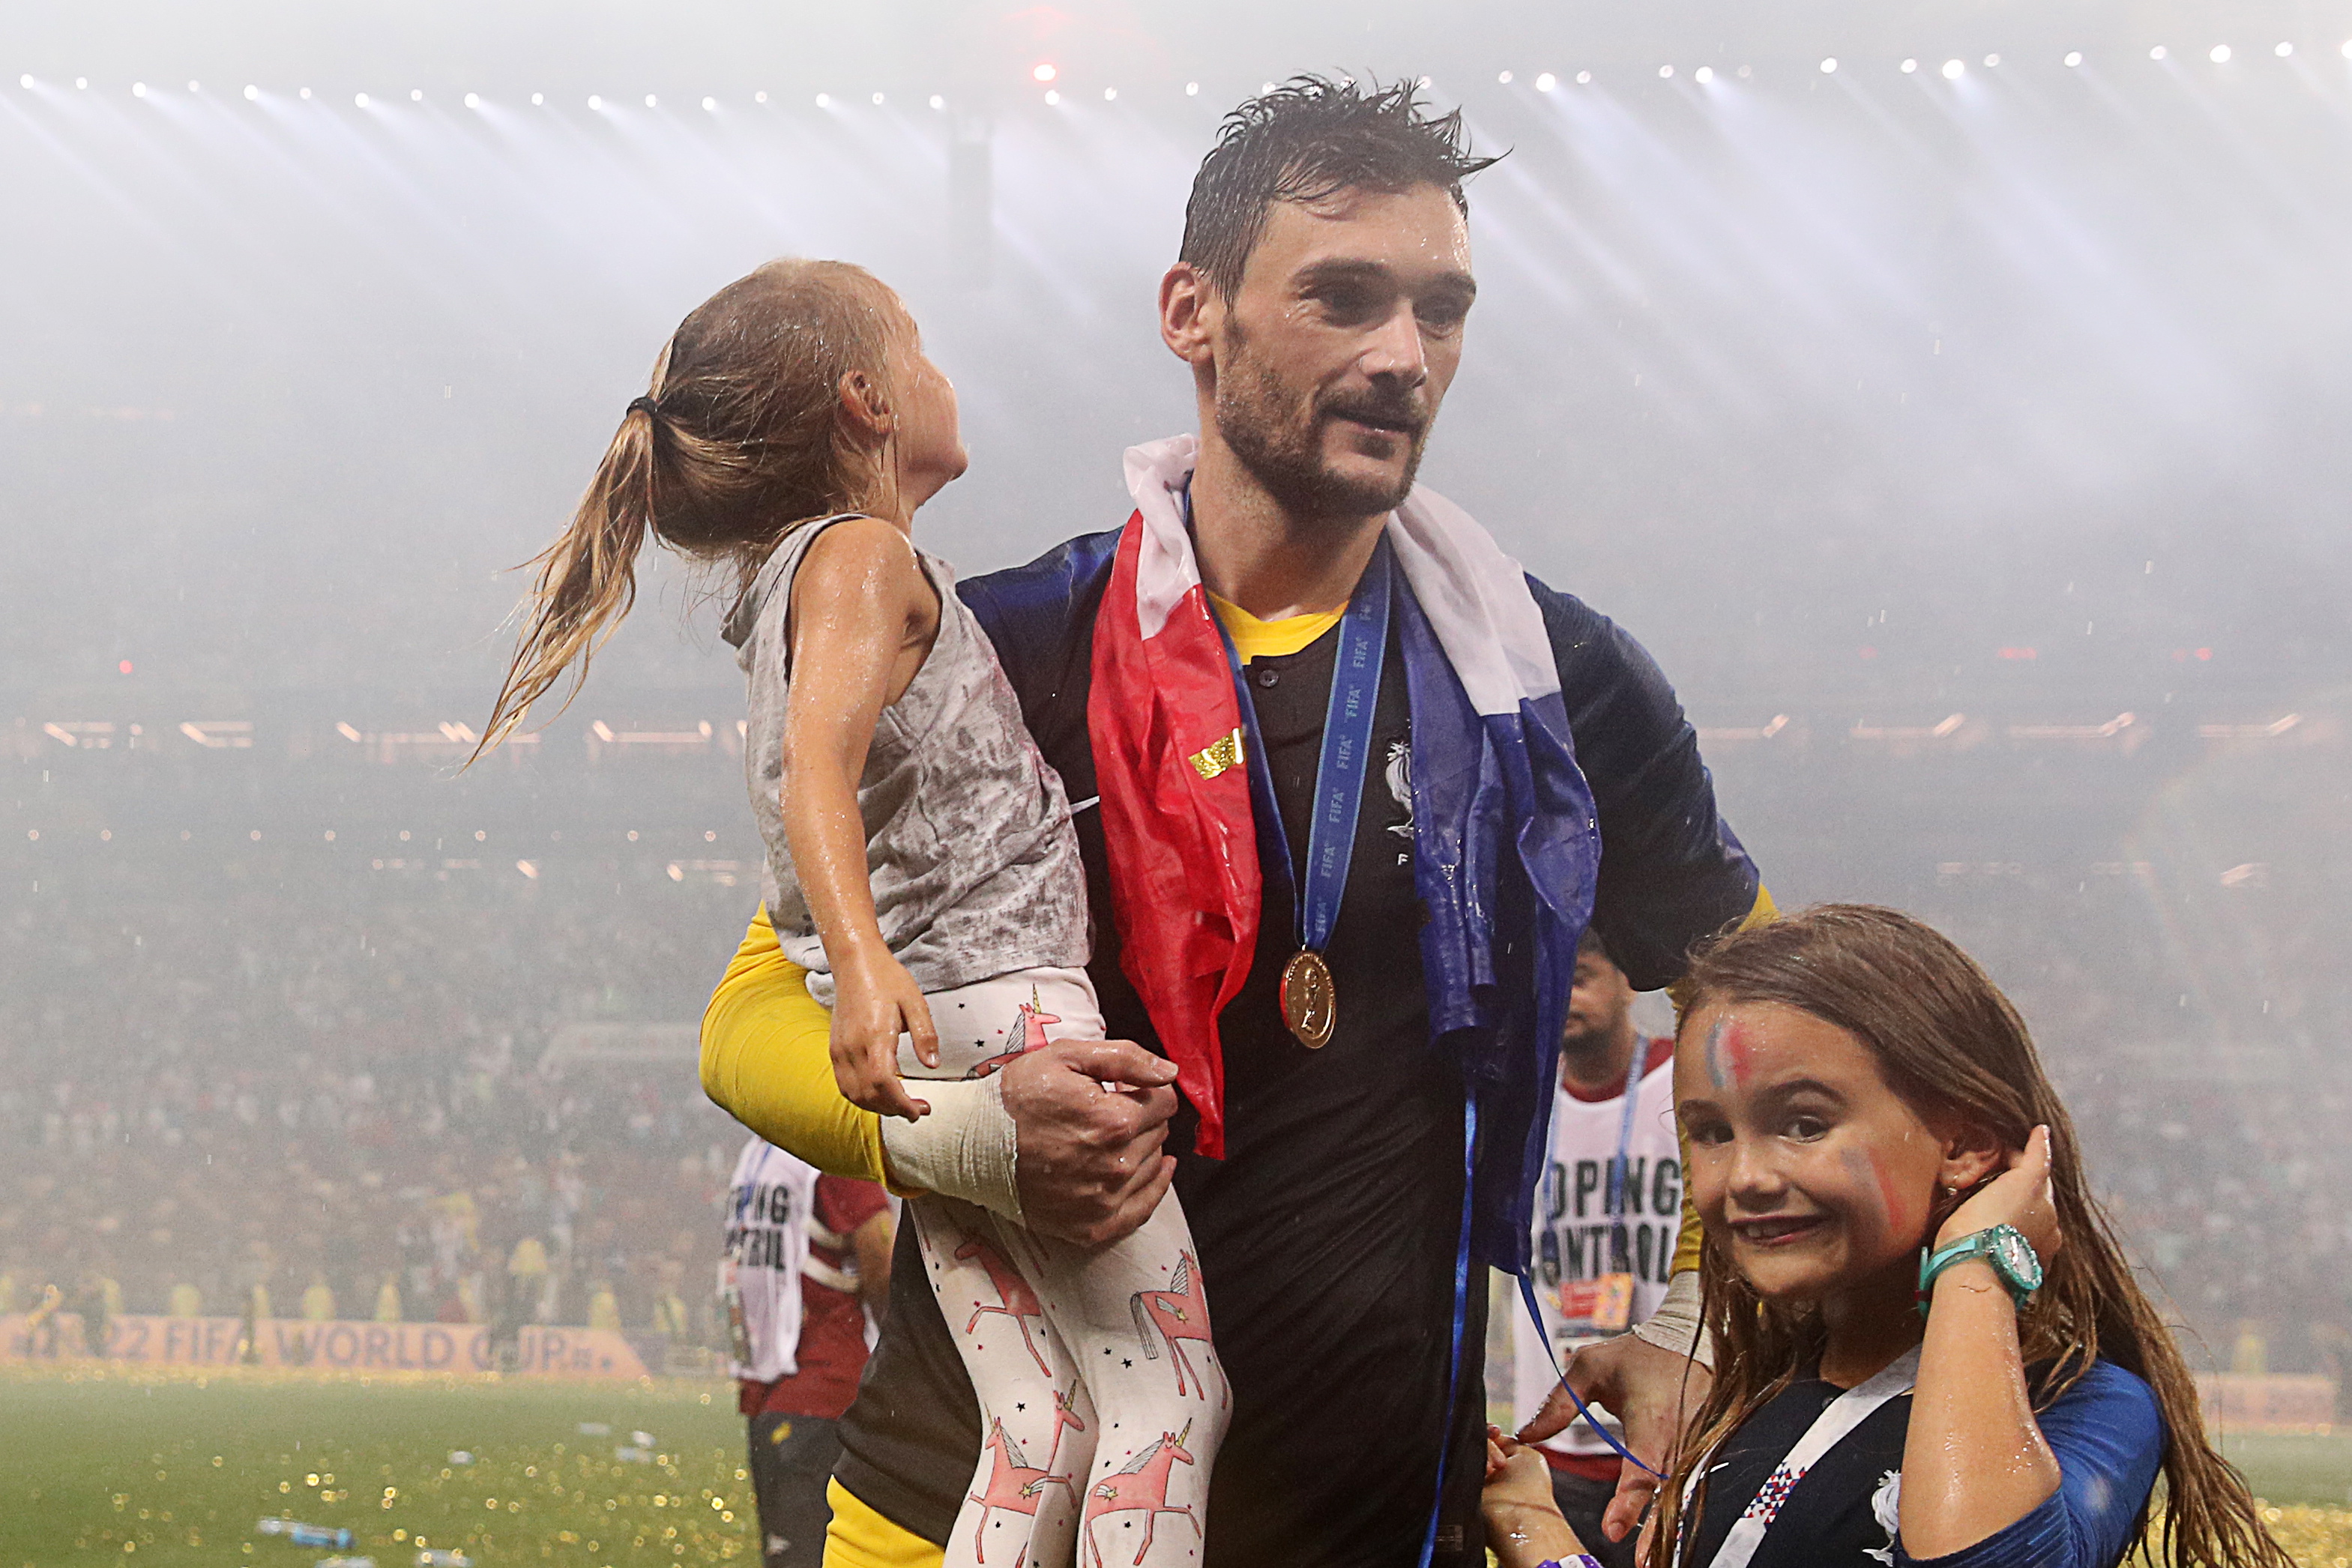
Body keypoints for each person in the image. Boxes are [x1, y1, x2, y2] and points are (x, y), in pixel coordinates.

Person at [696, 77, 1767, 1568]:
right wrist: (975, 1137)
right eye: (1344, 297)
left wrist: (1687, 1318)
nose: (1405, 355)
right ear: (1191, 311)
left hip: (1374, 1518)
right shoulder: (1005, 647)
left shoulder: (1548, 673)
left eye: (1441, 309)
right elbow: (751, 1014)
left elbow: (1762, 1003)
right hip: (964, 1508)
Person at [478, 255, 1234, 1568]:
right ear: (865, 403)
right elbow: (814, 766)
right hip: (1012, 1012)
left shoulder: (788, 587)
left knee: (1038, 1419)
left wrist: (868, 969)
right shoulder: (858, 555)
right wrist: (856, 949)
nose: (942, 372)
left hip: (945, 1042)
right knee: (1167, 1399)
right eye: (918, 347)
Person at [1641, 905, 2288, 1568]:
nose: (1745, 1177)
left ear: (1966, 1146)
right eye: (1712, 1133)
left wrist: (1978, 1263)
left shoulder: (2087, 1404)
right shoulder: (1753, 1390)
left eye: (1805, 1124)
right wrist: (1539, 1532)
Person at [1508, 932, 1678, 1568]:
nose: (1563, 998)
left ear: (1627, 981)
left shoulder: (1685, 1090)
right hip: (1553, 1449)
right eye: (1547, 983)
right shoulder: (1518, 1110)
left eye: (1580, 976)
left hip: (1671, 1437)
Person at [725, 1136, 894, 1566]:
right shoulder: (827, 1150)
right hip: (825, 1387)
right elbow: (879, 1244)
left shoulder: (757, 1157)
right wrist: (900, 1340)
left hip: (769, 1388)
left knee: (787, 1552)